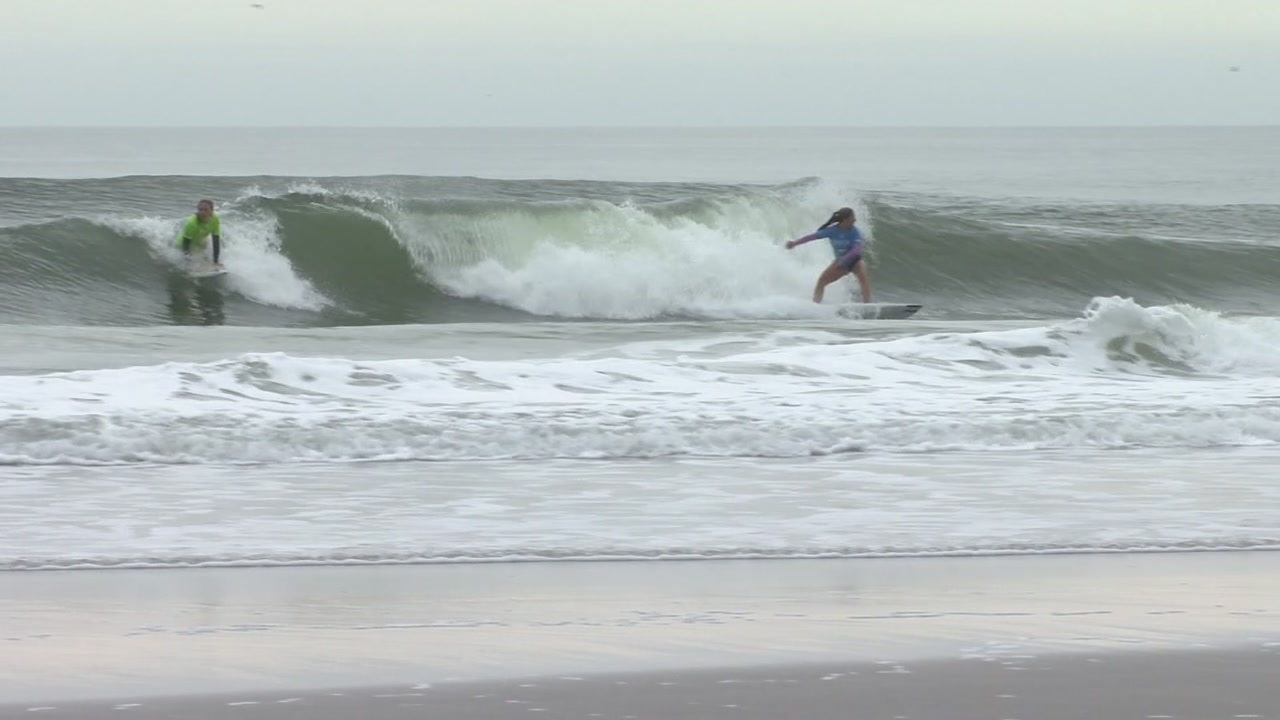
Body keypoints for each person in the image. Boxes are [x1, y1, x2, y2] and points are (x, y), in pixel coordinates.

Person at [784, 206, 871, 303]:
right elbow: (812, 237)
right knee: (821, 282)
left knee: (863, 280)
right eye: (852, 217)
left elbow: (856, 250)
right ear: (845, 220)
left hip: (855, 262)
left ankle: (868, 304)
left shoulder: (854, 231)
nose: (855, 220)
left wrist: (844, 259)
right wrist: (795, 243)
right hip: (841, 263)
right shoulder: (832, 231)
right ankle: (816, 304)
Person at [175, 199, 223, 268]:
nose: (203, 212)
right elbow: (185, 244)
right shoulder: (192, 223)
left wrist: (216, 261)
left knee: (204, 257)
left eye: (206, 210)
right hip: (182, 244)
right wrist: (189, 264)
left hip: (199, 241)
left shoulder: (215, 219)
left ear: (212, 211)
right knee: (192, 261)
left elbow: (216, 241)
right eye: (200, 210)